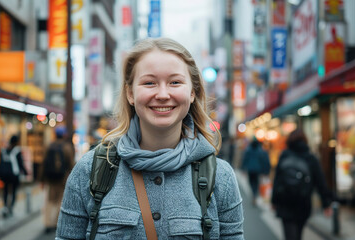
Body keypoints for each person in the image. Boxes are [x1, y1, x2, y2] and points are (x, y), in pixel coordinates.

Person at [56, 37, 244, 239]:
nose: (163, 94)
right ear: (130, 93)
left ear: (192, 92)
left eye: (175, 82)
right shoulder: (91, 170)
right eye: (149, 83)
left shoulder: (220, 178)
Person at [271, 129, 332, 240]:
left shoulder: (284, 155)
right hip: (303, 203)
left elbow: (277, 180)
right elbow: (320, 182)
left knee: (289, 235)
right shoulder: (311, 158)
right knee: (298, 234)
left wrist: (274, 200)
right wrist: (326, 203)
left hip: (285, 202)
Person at [40, 126, 75, 233]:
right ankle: (56, 223)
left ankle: (47, 223)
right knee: (60, 200)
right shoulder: (67, 147)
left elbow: (43, 164)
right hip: (62, 179)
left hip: (50, 179)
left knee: (49, 201)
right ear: (64, 135)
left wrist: (41, 179)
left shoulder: (49, 146)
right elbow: (71, 164)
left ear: (55, 134)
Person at [0, 135, 28, 217]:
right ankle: (11, 208)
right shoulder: (17, 151)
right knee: (13, 191)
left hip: (4, 175)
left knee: (5, 191)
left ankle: (5, 207)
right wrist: (25, 172)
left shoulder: (4, 150)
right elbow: (20, 163)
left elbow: (0, 163)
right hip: (14, 174)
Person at [241, 136, 271, 205]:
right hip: (258, 169)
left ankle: (254, 194)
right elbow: (264, 161)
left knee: (251, 182)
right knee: (256, 182)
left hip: (250, 169)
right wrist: (266, 171)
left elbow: (245, 159)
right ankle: (255, 194)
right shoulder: (260, 150)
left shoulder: (248, 149)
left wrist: (243, 168)